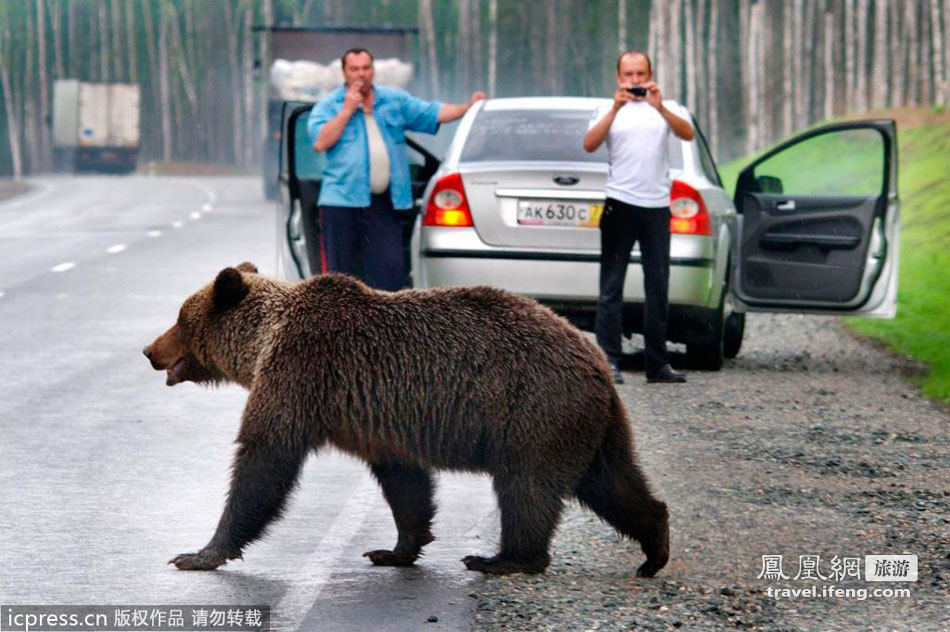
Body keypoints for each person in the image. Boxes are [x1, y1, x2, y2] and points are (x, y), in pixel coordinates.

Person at [308, 48, 485, 291]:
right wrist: (347, 110)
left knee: (389, 271)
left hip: (385, 203)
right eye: (354, 69)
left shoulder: (393, 100)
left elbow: (431, 112)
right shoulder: (329, 105)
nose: (361, 74)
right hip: (342, 203)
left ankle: (383, 326)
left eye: (366, 68)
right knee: (343, 277)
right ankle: (345, 327)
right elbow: (320, 141)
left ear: (373, 70)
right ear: (344, 73)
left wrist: (468, 108)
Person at [582, 50, 694, 385]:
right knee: (611, 287)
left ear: (650, 75)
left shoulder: (666, 108)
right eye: (628, 75)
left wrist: (659, 106)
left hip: (657, 207)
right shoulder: (606, 110)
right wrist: (616, 108)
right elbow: (589, 144)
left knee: (657, 286)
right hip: (620, 204)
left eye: (640, 74)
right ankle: (608, 361)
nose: (634, 82)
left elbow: (686, 134)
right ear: (618, 78)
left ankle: (657, 364)